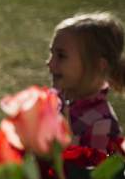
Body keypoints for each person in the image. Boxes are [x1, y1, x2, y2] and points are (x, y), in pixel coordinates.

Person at [47, 12, 124, 152]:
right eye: (51, 53)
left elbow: (91, 171)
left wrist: (67, 142)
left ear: (98, 65)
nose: (50, 63)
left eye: (61, 56)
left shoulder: (101, 124)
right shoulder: (54, 98)